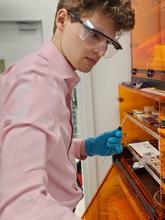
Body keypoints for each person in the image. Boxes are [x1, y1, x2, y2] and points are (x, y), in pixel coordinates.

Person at [0, 0, 135, 219]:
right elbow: (20, 206)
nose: (101, 51)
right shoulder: (37, 84)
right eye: (94, 34)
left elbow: (43, 148)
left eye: (108, 43)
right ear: (62, 19)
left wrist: (86, 147)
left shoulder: (53, 77)